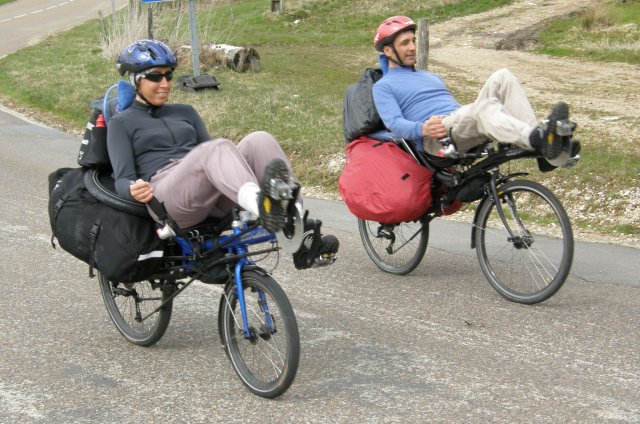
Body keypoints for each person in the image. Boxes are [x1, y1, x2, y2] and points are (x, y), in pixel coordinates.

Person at [107, 39, 338, 268]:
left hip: (208, 193)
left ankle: (295, 223)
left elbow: (218, 158)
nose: (165, 83)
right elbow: (121, 179)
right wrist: (132, 189)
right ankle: (263, 206)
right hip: (169, 199)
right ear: (135, 80)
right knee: (217, 147)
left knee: (259, 139)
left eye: (169, 75)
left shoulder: (185, 112)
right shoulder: (121, 123)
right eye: (155, 76)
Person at [371, 16, 579, 168]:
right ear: (388, 51)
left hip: (457, 122)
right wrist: (422, 129)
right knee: (485, 108)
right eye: (405, 43)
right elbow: (394, 124)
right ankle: (538, 140)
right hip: (436, 138)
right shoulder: (384, 86)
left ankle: (545, 153)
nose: (412, 47)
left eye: (414, 41)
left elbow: (455, 111)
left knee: (503, 76)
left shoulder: (430, 76)